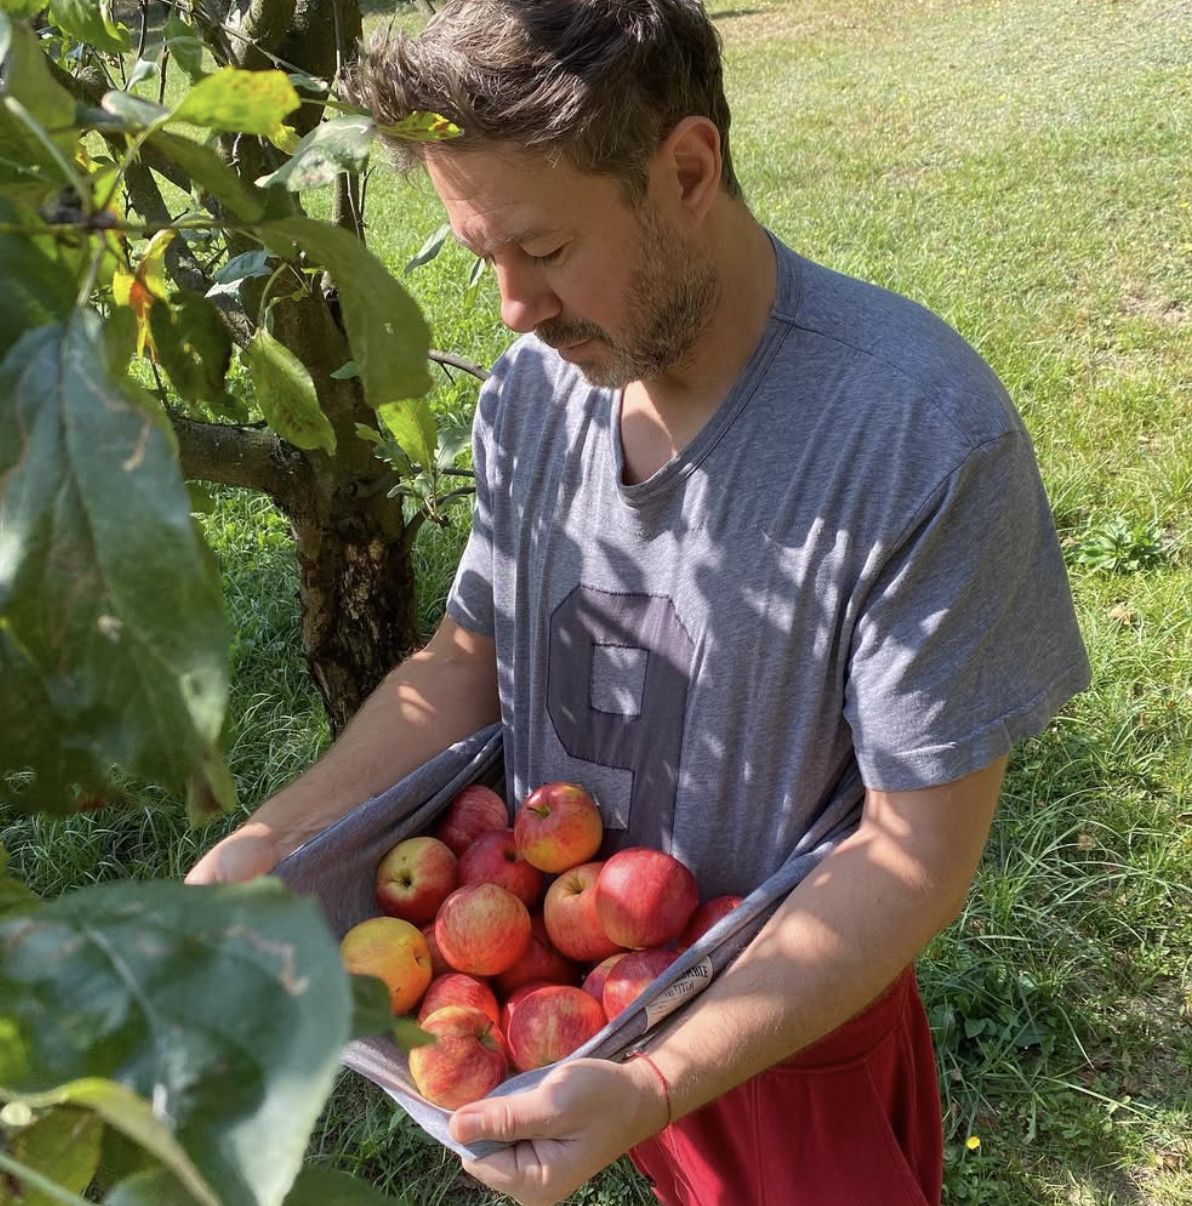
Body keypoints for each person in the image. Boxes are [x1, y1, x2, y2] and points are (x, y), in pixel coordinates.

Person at [188, 2, 1091, 1202]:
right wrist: (264, 847)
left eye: (545, 251)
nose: (511, 307)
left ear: (685, 169)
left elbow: (914, 855)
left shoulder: (916, 440)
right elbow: (465, 660)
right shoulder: (531, 394)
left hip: (785, 1022)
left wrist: (662, 1080)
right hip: (564, 992)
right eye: (480, 257)